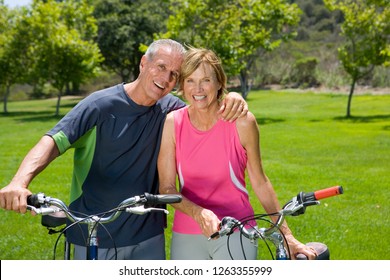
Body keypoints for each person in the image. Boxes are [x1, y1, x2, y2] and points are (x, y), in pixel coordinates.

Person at [0, 39, 248, 260]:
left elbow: (203, 101)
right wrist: (19, 182)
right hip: (95, 232)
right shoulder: (99, 105)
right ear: (143, 63)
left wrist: (232, 97)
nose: (166, 78)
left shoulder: (171, 110)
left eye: (174, 74)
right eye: (161, 66)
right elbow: (53, 141)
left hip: (149, 237)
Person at [157, 46, 317, 260]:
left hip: (238, 230)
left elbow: (260, 181)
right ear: (183, 86)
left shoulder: (241, 122)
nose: (198, 88)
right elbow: (166, 188)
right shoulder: (172, 123)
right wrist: (198, 212)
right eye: (190, 81)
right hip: (187, 233)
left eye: (206, 80)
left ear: (220, 82)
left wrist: (286, 234)